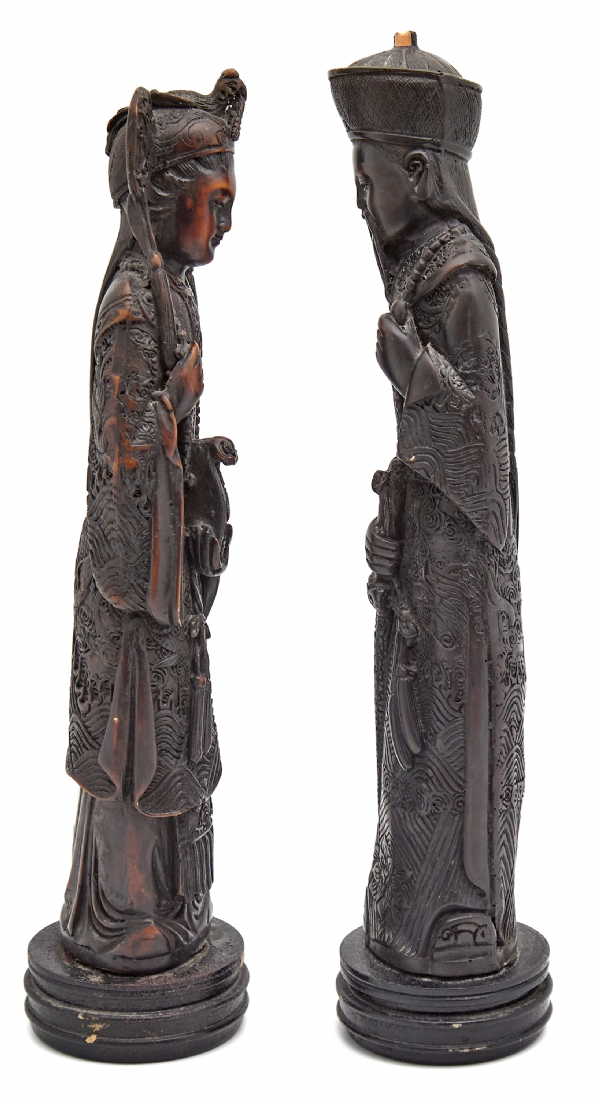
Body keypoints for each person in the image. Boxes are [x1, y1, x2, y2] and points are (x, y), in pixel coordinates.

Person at [331, 41, 524, 977]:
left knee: (444, 745)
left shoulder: (461, 284)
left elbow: (486, 457)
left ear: (418, 170)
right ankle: (413, 915)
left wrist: (415, 379)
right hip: (425, 574)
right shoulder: (420, 273)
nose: (360, 201)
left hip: (460, 592)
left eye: (367, 179)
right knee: (411, 749)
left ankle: (458, 921)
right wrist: (394, 523)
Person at [60, 73, 246, 974]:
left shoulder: (175, 287)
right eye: (219, 201)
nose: (228, 223)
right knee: (134, 753)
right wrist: (175, 402)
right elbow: (124, 463)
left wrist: (197, 458)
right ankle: (123, 917)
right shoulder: (133, 309)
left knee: (169, 744)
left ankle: (170, 909)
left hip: (164, 584)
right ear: (166, 198)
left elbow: (163, 444)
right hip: (132, 586)